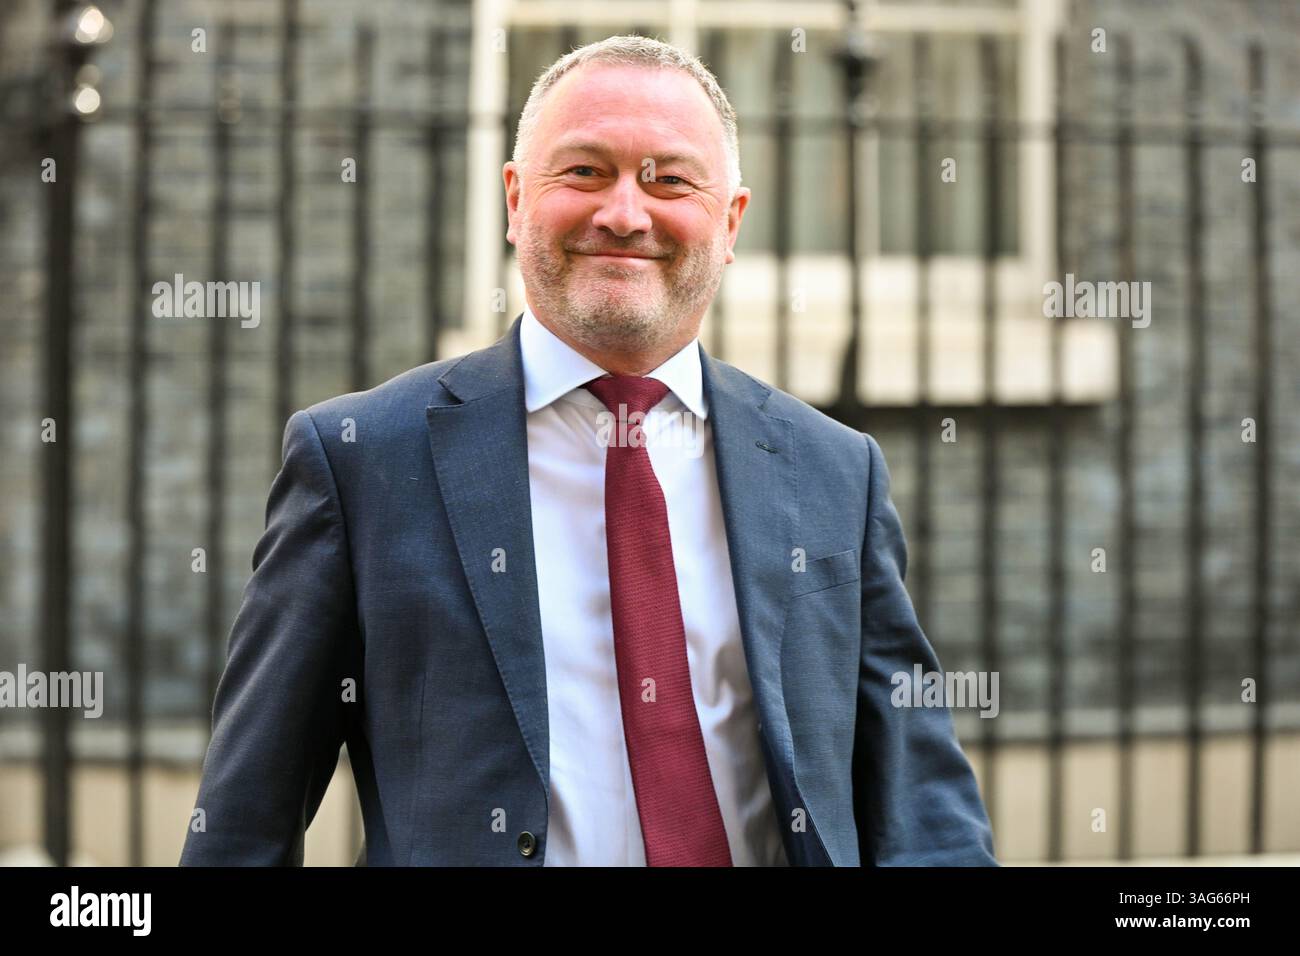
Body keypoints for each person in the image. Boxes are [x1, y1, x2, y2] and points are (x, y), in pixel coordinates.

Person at [180, 34, 996, 867]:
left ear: (730, 221)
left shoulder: (836, 470)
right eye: (583, 172)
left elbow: (919, 797)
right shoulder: (359, 461)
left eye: (669, 180)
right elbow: (246, 817)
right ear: (513, 199)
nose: (623, 213)